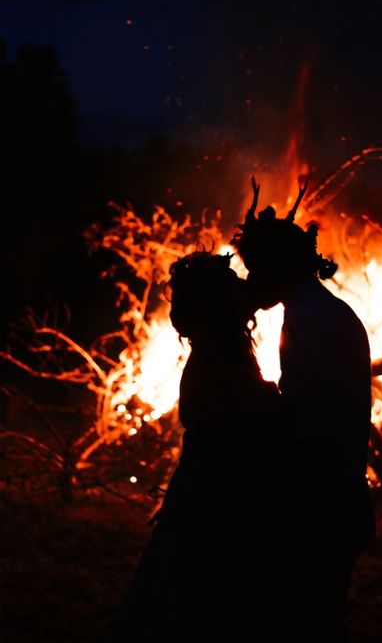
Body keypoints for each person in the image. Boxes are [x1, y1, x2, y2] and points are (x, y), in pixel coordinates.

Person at [107, 251, 282, 643]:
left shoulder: (221, 353)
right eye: (232, 286)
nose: (243, 289)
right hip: (217, 497)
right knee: (205, 600)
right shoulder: (215, 361)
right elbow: (238, 418)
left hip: (215, 491)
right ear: (217, 304)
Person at [232, 177, 376, 642]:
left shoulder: (311, 320)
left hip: (322, 503)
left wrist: (292, 512)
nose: (253, 281)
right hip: (333, 493)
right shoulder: (320, 312)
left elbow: (313, 425)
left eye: (257, 270)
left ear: (278, 267)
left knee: (310, 622)